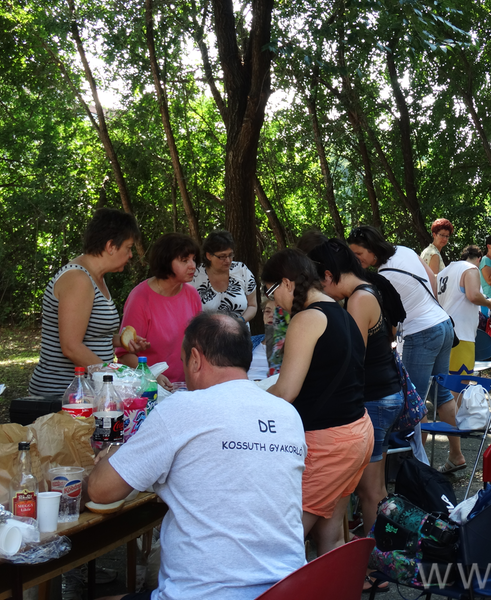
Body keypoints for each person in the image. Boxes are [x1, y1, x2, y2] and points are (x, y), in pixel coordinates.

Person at [87, 313, 306, 600]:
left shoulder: (183, 408)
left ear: (195, 359)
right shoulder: (288, 414)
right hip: (287, 590)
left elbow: (101, 491)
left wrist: (115, 450)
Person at [304, 236, 403, 591]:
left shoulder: (359, 299)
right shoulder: (367, 290)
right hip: (383, 395)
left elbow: (351, 357)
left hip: (375, 399)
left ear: (329, 275)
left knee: (370, 492)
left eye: (317, 282)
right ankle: (369, 563)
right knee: (371, 489)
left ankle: (376, 567)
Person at [262, 249, 372, 557]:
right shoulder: (341, 312)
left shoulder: (307, 318)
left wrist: (248, 401)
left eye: (271, 291)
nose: (274, 302)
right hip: (357, 433)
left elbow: (286, 391)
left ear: (286, 283)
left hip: (329, 443)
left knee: (282, 543)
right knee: (330, 538)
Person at [347, 225, 456, 470]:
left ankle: (417, 468)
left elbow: (391, 323)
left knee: (413, 401)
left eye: (359, 254)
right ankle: (456, 455)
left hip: (422, 332)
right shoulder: (404, 250)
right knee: (442, 394)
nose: (356, 260)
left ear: (372, 250)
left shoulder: (383, 276)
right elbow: (433, 279)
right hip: (443, 323)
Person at [29, 208, 145, 396]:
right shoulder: (78, 279)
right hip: (61, 395)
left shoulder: (96, 278)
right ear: (110, 246)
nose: (131, 255)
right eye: (128, 247)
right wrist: (113, 377)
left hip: (85, 393)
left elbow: (90, 335)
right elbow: (71, 347)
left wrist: (122, 341)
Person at [116, 233, 203, 387]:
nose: (192, 266)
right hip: (149, 389)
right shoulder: (140, 298)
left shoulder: (192, 294)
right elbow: (123, 355)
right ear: (165, 262)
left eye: (194, 259)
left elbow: (199, 343)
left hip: (186, 387)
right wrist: (152, 375)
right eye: (184, 260)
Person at [438, 245, 491, 375]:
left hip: (442, 334)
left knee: (443, 381)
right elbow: (473, 295)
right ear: (479, 259)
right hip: (461, 336)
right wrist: (489, 303)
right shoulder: (470, 269)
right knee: (461, 382)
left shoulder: (443, 273)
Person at [190, 230, 257, 324]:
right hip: (205, 332)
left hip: (240, 331)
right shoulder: (195, 275)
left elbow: (253, 305)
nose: (228, 260)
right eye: (222, 256)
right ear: (209, 256)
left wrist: (240, 321)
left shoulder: (242, 270)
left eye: (230, 255)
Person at [247, 298, 276, 381]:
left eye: (277, 311)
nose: (271, 315)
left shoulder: (290, 345)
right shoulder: (251, 341)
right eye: (267, 311)